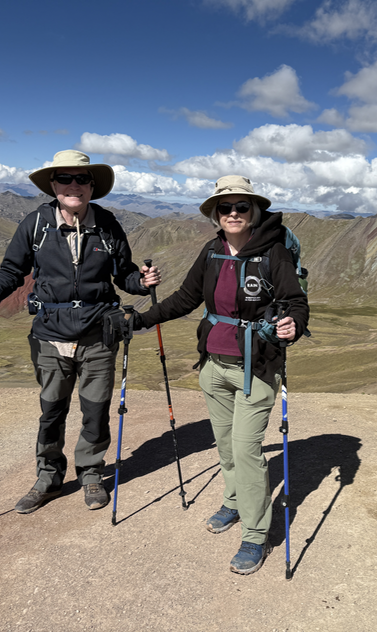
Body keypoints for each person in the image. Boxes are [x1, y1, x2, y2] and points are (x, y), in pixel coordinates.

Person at [0, 150, 161, 514]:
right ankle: (48, 478)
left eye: (82, 179)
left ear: (92, 186)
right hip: (49, 336)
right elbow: (12, 270)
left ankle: (91, 474)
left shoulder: (108, 225)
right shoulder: (36, 224)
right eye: (65, 179)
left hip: (99, 335)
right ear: (53, 185)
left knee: (95, 410)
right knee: (52, 411)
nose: (74, 186)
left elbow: (124, 274)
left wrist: (142, 281)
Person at [134, 175, 309, 575]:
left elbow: (295, 302)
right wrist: (139, 321)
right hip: (213, 366)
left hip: (256, 369)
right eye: (225, 207)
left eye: (241, 206)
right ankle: (233, 501)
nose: (233, 213)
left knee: (246, 450)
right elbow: (185, 298)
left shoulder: (275, 253)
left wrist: (293, 325)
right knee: (227, 446)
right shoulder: (212, 251)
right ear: (216, 213)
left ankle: (255, 534)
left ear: (254, 211)